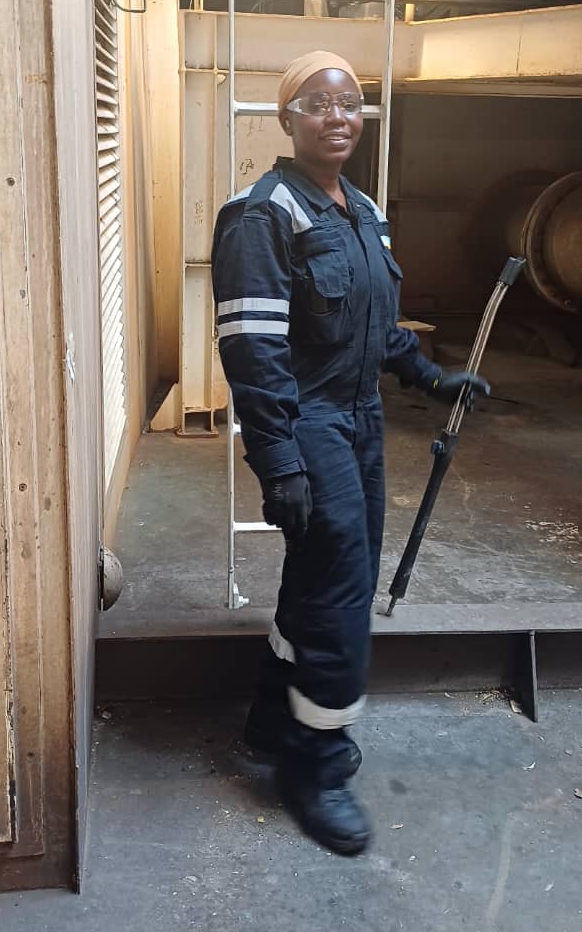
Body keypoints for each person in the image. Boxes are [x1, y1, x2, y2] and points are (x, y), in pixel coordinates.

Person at [211, 51, 488, 856]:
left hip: (360, 418)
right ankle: (315, 767)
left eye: (348, 103)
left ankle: (272, 720)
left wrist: (428, 374)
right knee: (340, 593)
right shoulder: (262, 216)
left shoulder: (361, 209)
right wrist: (279, 462)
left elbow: (375, 322)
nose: (337, 116)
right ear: (287, 119)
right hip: (309, 421)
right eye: (317, 103)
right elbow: (254, 352)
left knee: (324, 578)